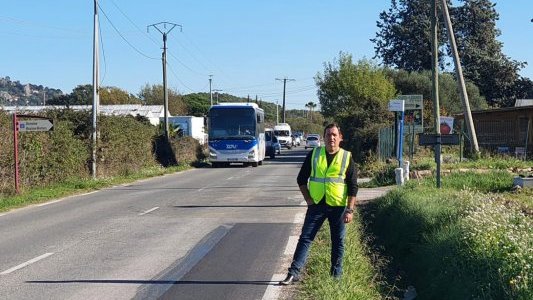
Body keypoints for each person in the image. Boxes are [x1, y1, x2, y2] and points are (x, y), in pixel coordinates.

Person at [280, 123, 358, 285]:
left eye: (335, 135)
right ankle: (293, 273)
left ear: (340, 138)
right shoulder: (314, 154)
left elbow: (353, 186)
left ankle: (336, 277)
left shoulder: (346, 156)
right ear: (324, 137)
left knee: (338, 242)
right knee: (306, 238)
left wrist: (350, 210)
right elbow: (301, 179)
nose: (331, 138)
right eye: (328, 134)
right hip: (317, 205)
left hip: (338, 207)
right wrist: (309, 200)